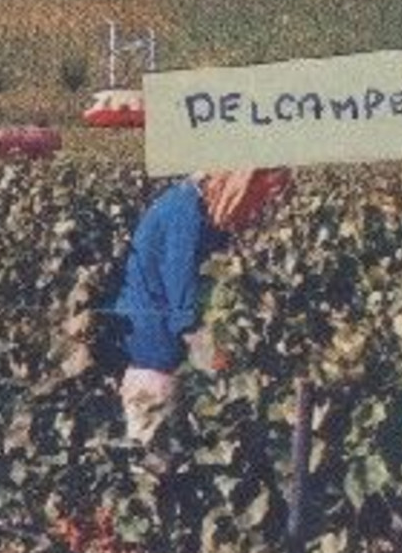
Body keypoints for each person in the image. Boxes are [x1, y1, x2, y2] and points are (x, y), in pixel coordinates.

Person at [111, 167, 292, 444]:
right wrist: (220, 361)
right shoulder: (186, 214)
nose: (257, 210)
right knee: (152, 459)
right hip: (156, 358)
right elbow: (183, 302)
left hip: (165, 352)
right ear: (236, 185)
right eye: (258, 198)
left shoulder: (195, 208)